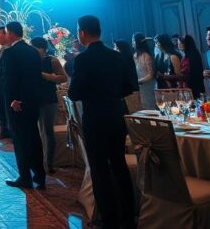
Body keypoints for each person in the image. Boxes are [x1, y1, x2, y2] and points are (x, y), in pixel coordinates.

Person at [67, 15, 135, 229]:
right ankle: (129, 214)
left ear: (82, 32)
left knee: (99, 169)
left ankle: (108, 218)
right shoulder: (117, 56)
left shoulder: (83, 59)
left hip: (95, 118)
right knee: (119, 164)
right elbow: (129, 87)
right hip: (116, 115)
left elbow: (74, 93)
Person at [0, 22, 46, 189]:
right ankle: (40, 175)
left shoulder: (10, 53)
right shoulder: (33, 51)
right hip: (32, 101)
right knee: (34, 138)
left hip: (16, 104)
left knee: (20, 140)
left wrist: (13, 99)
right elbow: (35, 78)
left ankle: (25, 177)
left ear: (10, 34)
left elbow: (10, 80)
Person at [30, 37, 67, 173]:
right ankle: (38, 162)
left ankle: (49, 163)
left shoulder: (52, 60)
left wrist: (45, 75)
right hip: (34, 99)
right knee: (37, 132)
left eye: (34, 48)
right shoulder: (29, 61)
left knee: (48, 131)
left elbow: (63, 78)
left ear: (43, 49)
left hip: (49, 99)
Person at [132, 33, 157, 110]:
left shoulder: (146, 56)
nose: (132, 43)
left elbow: (151, 74)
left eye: (133, 41)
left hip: (147, 85)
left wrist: (139, 81)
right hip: (139, 86)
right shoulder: (135, 55)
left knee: (149, 106)